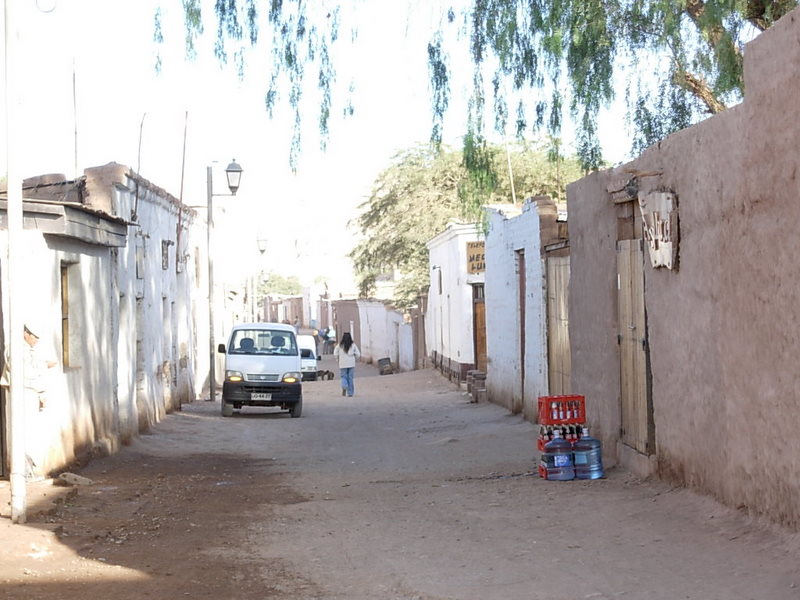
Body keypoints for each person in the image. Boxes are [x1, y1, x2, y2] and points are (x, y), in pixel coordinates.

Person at [0, 323, 58, 480]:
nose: (36, 340)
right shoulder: (16, 349)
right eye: (34, 337)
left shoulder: (27, 350)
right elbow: (25, 373)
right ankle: (22, 473)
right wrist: (44, 365)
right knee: (21, 433)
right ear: (26, 334)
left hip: (29, 393)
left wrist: (41, 393)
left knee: (29, 433)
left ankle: (27, 471)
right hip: (22, 393)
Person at [333, 332, 361, 397]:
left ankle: (344, 385)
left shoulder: (340, 345)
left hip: (342, 364)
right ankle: (350, 393)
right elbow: (358, 354)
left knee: (344, 376)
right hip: (351, 364)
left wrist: (337, 359)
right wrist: (355, 359)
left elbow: (335, 353)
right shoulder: (353, 345)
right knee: (350, 378)